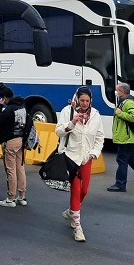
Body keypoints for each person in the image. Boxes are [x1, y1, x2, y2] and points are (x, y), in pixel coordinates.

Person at [55, 87, 104, 242]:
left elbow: (99, 137)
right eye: (81, 100)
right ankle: (77, 227)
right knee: (76, 190)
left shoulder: (95, 115)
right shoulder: (67, 111)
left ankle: (71, 212)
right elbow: (58, 131)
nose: (84, 104)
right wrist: (71, 123)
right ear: (76, 99)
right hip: (71, 157)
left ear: (91, 101)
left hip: (86, 158)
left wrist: (94, 153)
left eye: (87, 101)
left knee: (84, 191)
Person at [0, 83, 27, 207]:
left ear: (5, 98)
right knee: (20, 168)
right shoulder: (22, 107)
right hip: (21, 140)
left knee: (11, 170)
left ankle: (10, 198)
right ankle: (22, 197)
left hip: (10, 142)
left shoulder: (9, 109)